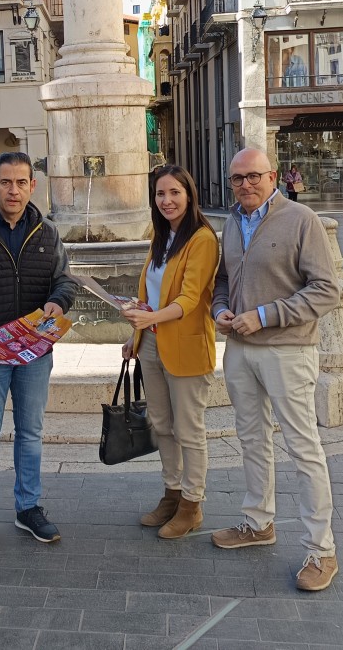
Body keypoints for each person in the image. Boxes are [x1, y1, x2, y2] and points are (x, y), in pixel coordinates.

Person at [211, 147, 342, 592]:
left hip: (286, 349)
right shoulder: (230, 222)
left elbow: (327, 290)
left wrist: (266, 315)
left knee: (303, 450)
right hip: (239, 348)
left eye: (253, 176)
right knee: (251, 439)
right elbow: (224, 280)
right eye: (236, 178)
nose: (245, 185)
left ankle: (321, 551)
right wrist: (221, 309)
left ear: (272, 176)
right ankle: (258, 522)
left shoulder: (301, 219)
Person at [0, 151, 78, 552]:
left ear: (32, 187)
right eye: (6, 182)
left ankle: (28, 508)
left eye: (22, 183)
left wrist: (59, 301)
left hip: (34, 354)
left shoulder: (47, 231)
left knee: (31, 434)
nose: (14, 190)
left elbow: (65, 280)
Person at [120, 165, 219, 539]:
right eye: (160, 194)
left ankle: (192, 504)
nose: (167, 200)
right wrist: (136, 334)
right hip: (152, 348)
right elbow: (150, 293)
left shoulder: (202, 239)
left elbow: (189, 299)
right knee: (162, 426)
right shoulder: (160, 238)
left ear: (189, 195)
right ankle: (171, 494)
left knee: (189, 430)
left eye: (174, 193)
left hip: (187, 349)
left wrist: (151, 320)